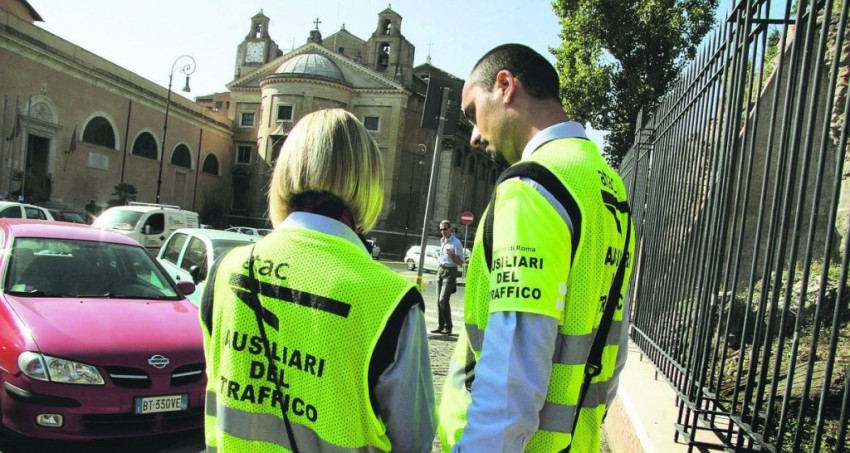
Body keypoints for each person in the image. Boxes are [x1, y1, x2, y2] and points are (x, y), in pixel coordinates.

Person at [201, 109, 436, 452]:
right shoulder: (389, 299)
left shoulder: (226, 270)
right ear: (368, 181)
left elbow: (215, 398)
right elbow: (413, 441)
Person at [437, 44, 635, 452]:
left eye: (473, 113)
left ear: (505, 85)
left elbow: (513, 372)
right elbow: (613, 355)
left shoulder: (532, 187)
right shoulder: (607, 186)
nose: (474, 135)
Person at [432, 219, 464, 335]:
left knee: (443, 300)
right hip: (440, 270)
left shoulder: (456, 243)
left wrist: (452, 255)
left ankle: (448, 327)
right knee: (438, 301)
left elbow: (460, 262)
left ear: (450, 229)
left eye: (445, 229)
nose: (443, 231)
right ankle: (441, 326)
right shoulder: (442, 241)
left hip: (450, 272)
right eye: (441, 229)